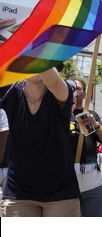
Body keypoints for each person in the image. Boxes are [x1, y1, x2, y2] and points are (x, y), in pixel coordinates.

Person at [0, 67, 80, 217]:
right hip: (18, 192)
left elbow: (54, 81)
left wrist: (35, 47)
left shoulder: (62, 90)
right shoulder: (11, 92)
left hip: (61, 193)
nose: (33, 64)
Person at [71, 76, 102, 216]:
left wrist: (95, 125)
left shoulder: (91, 115)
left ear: (85, 93)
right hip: (67, 180)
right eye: (72, 88)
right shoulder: (61, 113)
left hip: (92, 181)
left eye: (79, 89)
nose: (75, 92)